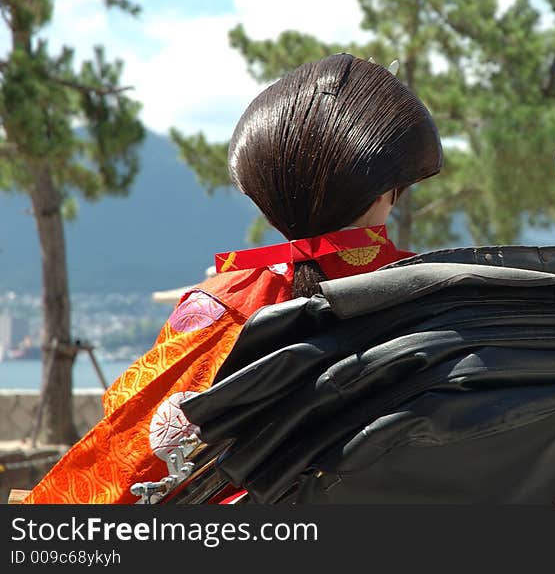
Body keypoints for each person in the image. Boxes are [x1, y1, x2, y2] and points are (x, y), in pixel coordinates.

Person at [22, 53, 443, 504]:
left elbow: (126, 456)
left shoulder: (221, 305)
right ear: (386, 191)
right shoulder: (440, 289)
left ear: (266, 192)